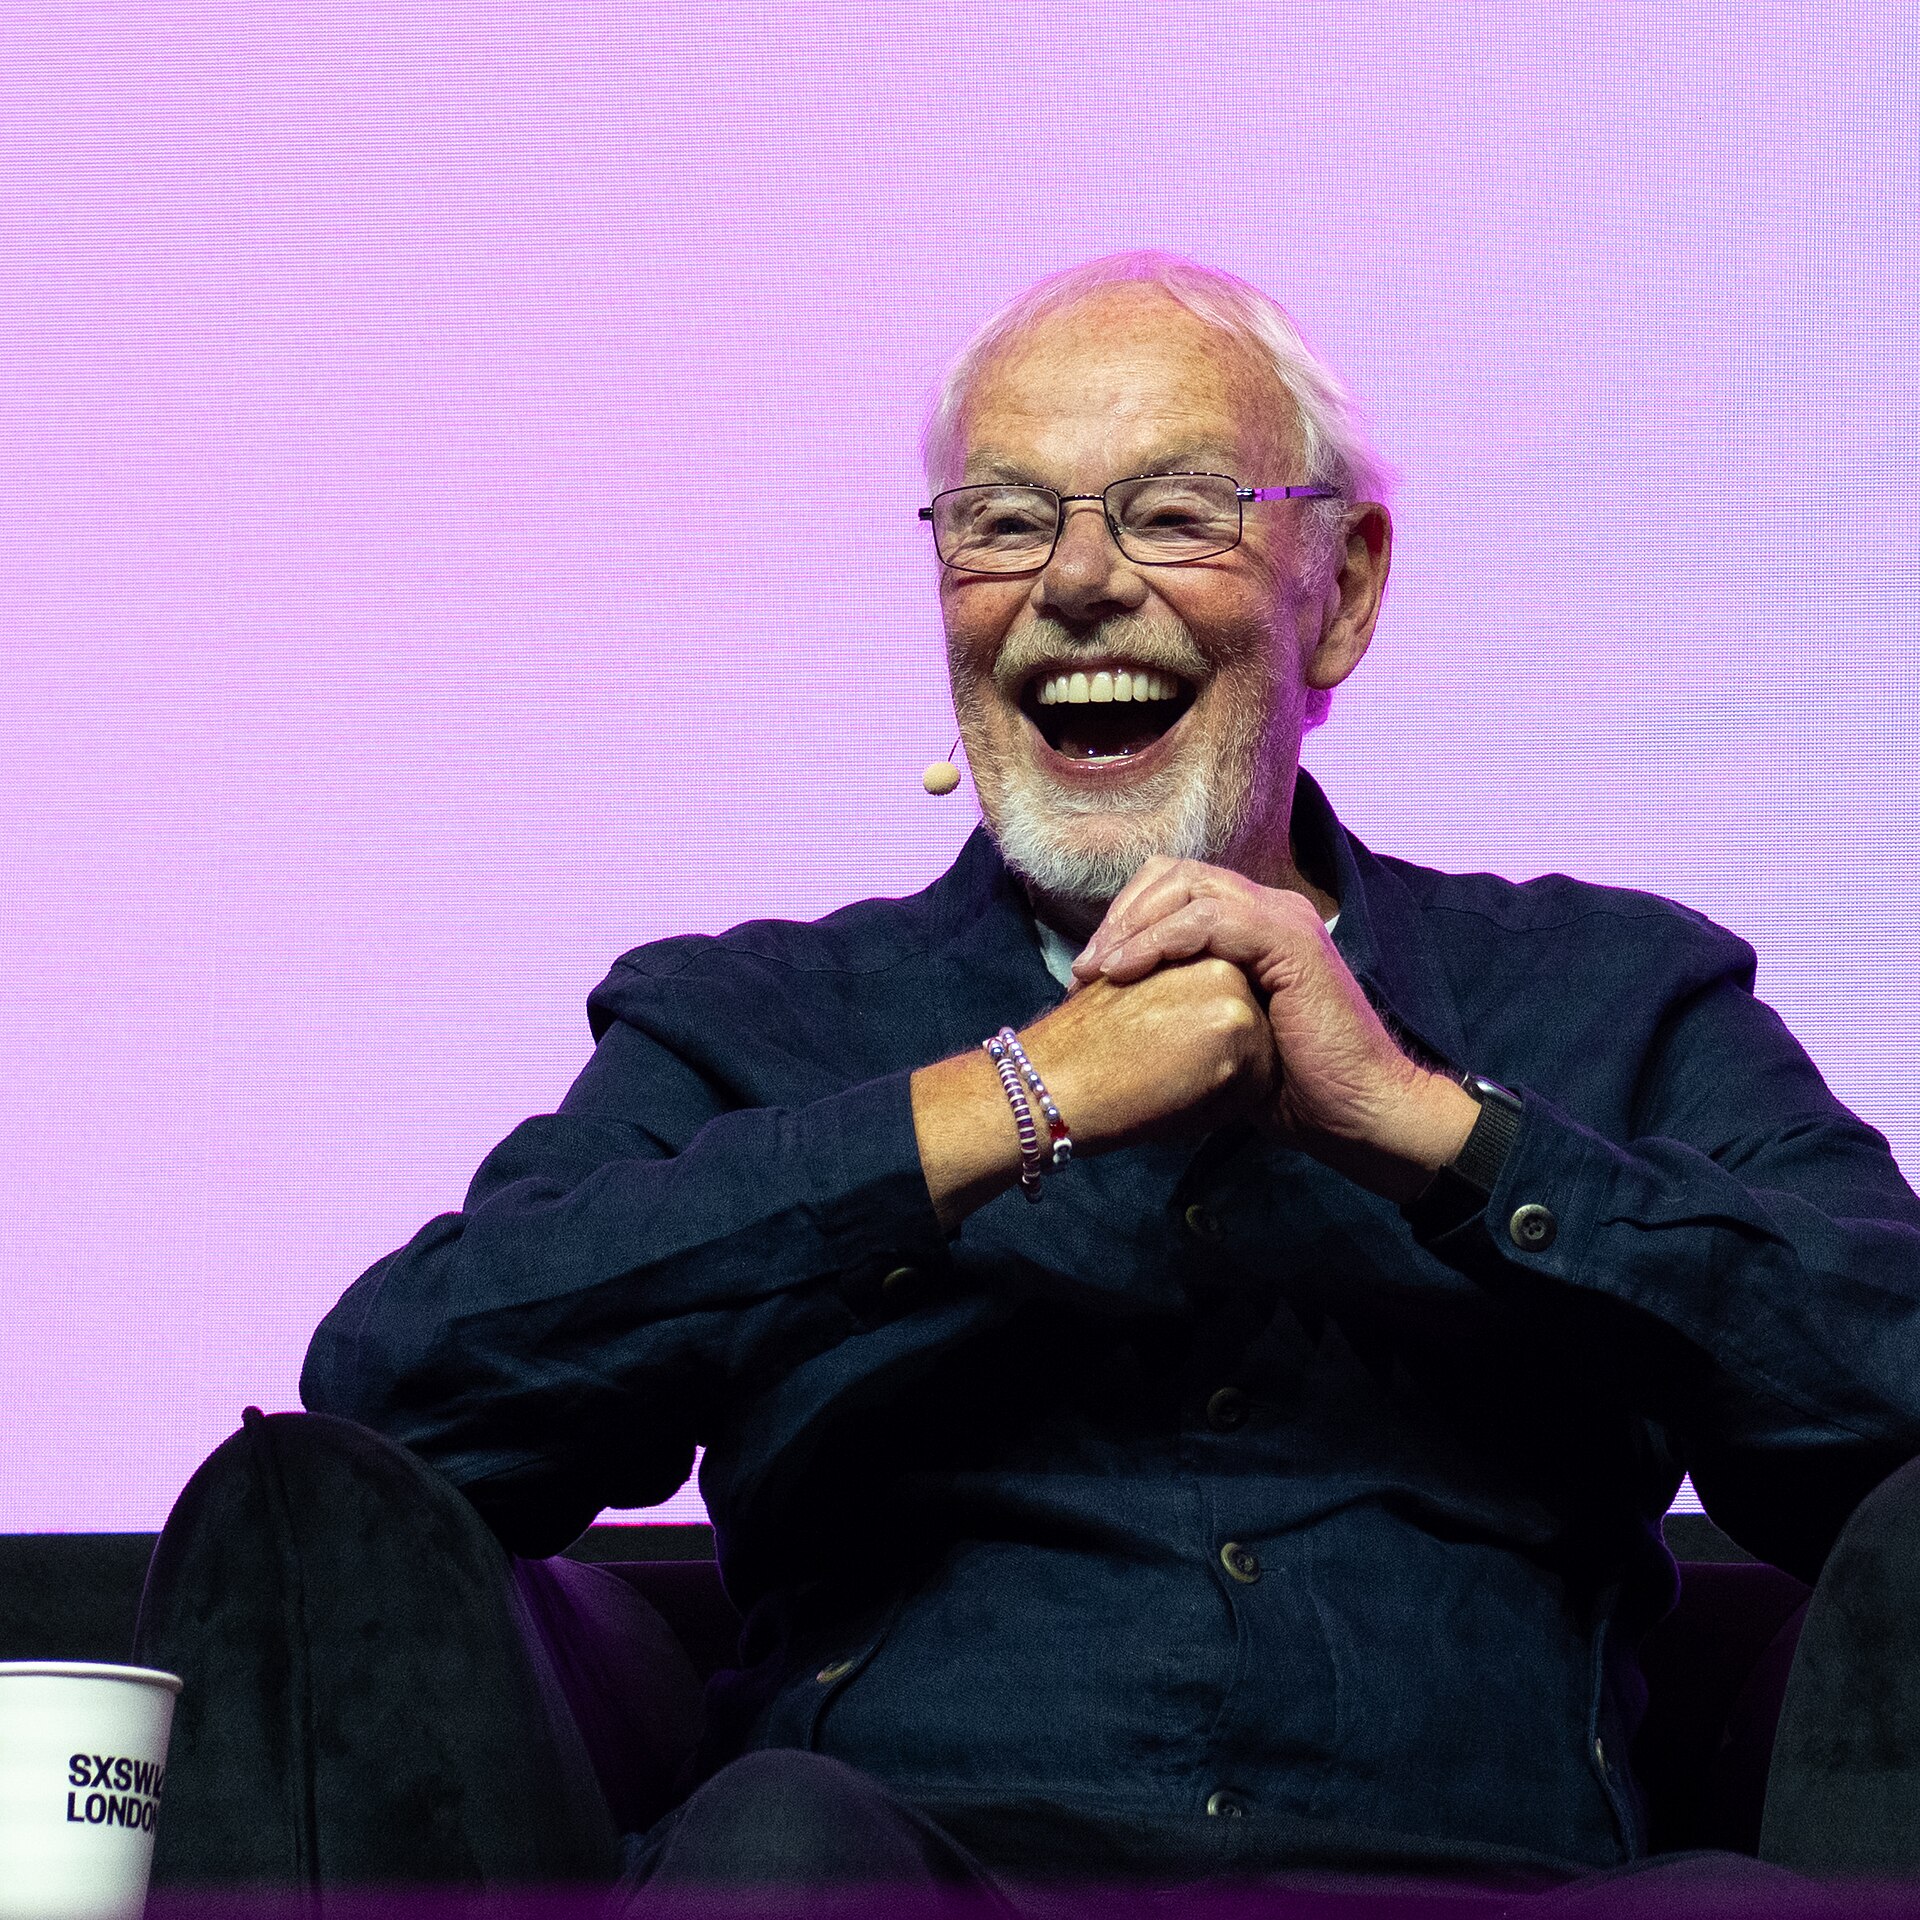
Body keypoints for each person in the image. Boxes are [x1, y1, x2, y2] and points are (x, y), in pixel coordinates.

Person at [137, 252, 1920, 1902]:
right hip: (903, 1879)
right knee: (770, 1852)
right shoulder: (755, 1020)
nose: (1075, 584)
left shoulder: (1608, 994)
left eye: (1171, 514)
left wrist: (1419, 1127)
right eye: (1002, 525)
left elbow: (1888, 1386)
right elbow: (400, 1399)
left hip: (1482, 1881)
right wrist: (1007, 1097)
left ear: (1345, 593)